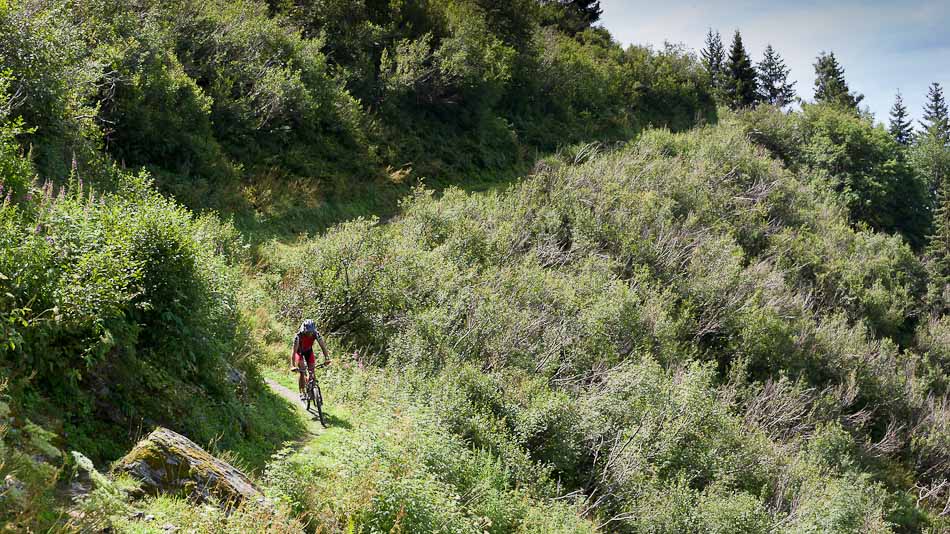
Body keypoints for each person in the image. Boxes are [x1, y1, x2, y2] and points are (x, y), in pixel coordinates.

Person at [290, 319, 330, 399]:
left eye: (311, 332)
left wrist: (327, 358)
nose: (310, 334)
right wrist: (293, 365)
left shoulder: (316, 334)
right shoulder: (298, 336)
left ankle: (313, 392)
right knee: (302, 371)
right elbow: (294, 352)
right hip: (299, 352)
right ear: (304, 330)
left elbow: (323, 347)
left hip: (309, 351)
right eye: (308, 332)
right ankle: (302, 392)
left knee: (312, 372)